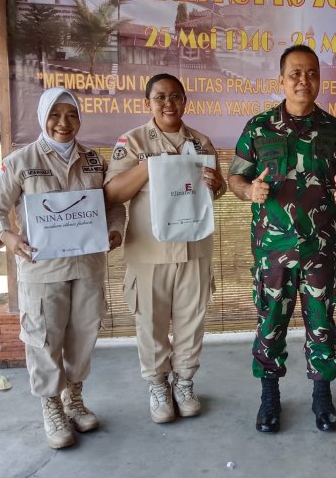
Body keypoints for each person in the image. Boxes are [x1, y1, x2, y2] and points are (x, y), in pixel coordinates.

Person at [228, 45, 336, 433]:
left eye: (311, 73)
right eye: (295, 73)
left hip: (319, 250)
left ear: (319, 79)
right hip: (272, 251)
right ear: (281, 80)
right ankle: (269, 395)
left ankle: (322, 394)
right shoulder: (258, 128)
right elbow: (236, 177)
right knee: (270, 321)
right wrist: (247, 192)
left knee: (321, 322)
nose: (303, 81)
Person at [0, 87, 126, 449]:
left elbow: (114, 205)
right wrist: (9, 238)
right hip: (42, 270)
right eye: (55, 115)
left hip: (88, 267)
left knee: (82, 335)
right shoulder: (21, 161)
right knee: (45, 340)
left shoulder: (94, 160)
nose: (64, 123)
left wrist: (115, 230)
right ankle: (51, 406)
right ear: (43, 117)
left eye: (72, 115)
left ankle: (73, 399)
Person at [104, 73, 225, 424]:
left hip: (194, 248)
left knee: (191, 320)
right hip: (149, 252)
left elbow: (212, 192)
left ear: (185, 101)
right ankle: (158, 386)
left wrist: (216, 184)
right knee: (151, 323)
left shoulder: (201, 143)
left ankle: (184, 383)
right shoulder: (134, 141)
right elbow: (113, 193)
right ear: (148, 103)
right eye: (160, 97)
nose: (168, 103)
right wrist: (149, 166)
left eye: (175, 96)